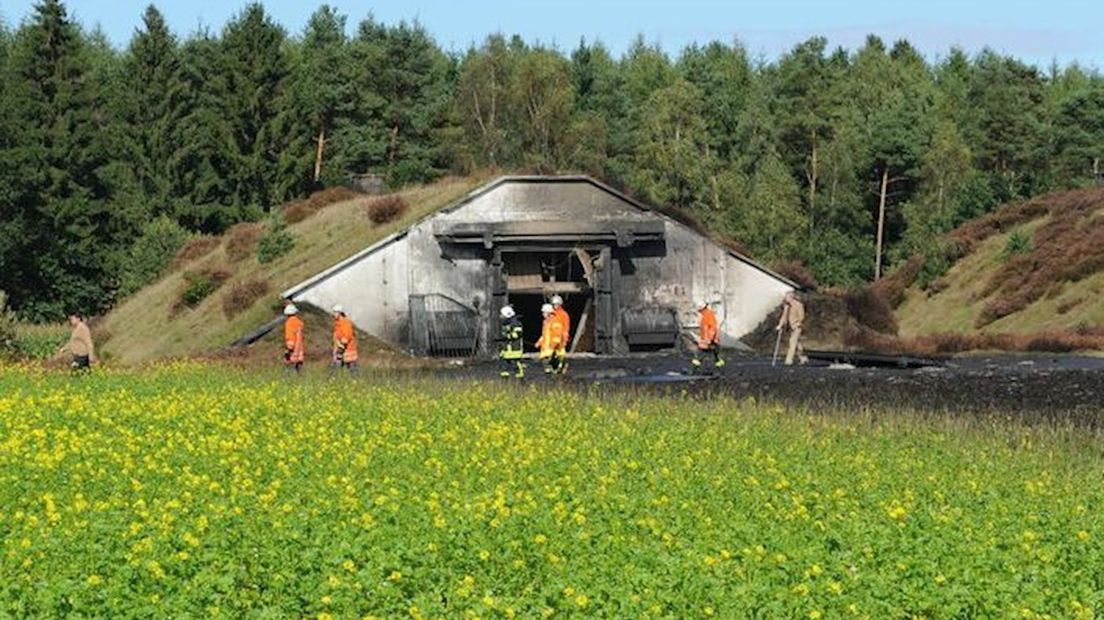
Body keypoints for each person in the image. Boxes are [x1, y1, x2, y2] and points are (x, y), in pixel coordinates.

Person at [690, 300, 724, 374]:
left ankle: (694, 371)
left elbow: (712, 328)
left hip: (709, 341)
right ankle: (720, 370)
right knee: (716, 356)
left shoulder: (708, 315)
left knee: (699, 356)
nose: (699, 311)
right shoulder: (706, 315)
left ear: (702, 308)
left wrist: (709, 339)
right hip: (711, 340)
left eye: (699, 310)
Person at [776, 291, 808, 366]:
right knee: (797, 344)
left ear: (791, 297)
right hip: (790, 327)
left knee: (792, 342)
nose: (785, 298)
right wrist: (780, 325)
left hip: (797, 327)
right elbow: (784, 316)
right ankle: (803, 358)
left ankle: (789, 360)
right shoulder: (786, 306)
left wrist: (798, 323)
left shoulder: (798, 305)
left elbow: (802, 316)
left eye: (786, 297)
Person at [536, 303, 565, 375]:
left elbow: (557, 336)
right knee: (546, 364)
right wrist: (539, 342)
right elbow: (544, 335)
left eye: (544, 312)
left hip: (553, 348)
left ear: (548, 313)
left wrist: (552, 346)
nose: (543, 314)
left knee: (552, 363)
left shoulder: (555, 321)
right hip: (547, 347)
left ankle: (556, 374)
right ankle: (551, 375)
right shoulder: (546, 322)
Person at [498, 305, 525, 379]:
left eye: (502, 315)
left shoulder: (515, 323)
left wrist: (508, 336)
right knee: (504, 364)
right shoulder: (505, 323)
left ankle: (520, 379)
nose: (501, 317)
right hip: (507, 348)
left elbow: (518, 334)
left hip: (514, 348)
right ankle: (504, 379)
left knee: (515, 363)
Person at [331, 304, 358, 372]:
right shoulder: (338, 323)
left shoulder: (346, 323)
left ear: (339, 313)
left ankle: (355, 382)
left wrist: (340, 349)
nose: (333, 314)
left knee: (352, 369)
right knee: (335, 369)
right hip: (340, 349)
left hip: (348, 350)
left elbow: (346, 337)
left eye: (335, 312)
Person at [550, 295, 570, 373]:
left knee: (560, 353)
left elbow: (566, 327)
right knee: (552, 353)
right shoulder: (551, 314)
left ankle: (562, 366)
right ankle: (555, 367)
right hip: (553, 338)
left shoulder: (564, 315)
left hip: (560, 337)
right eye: (554, 304)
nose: (555, 306)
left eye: (556, 304)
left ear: (560, 304)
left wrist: (565, 338)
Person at [283, 303, 305, 372]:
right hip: (300, 352)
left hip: (293, 353)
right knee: (299, 373)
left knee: (291, 373)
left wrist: (287, 353)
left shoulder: (289, 323)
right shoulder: (299, 323)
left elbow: (290, 340)